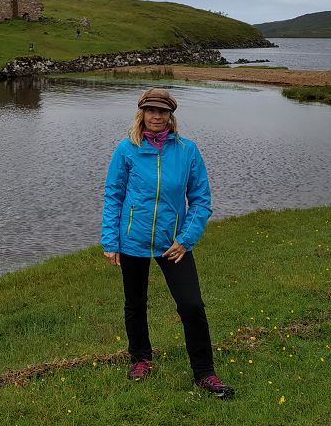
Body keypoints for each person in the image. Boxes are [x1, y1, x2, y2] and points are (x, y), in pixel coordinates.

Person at [100, 87, 235, 399]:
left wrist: (186, 239)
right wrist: (110, 240)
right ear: (142, 114)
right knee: (135, 304)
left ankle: (205, 373)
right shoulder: (126, 149)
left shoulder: (187, 151)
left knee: (191, 305)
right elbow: (113, 196)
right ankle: (141, 359)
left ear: (171, 116)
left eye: (162, 111)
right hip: (132, 241)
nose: (156, 116)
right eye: (151, 110)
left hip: (173, 243)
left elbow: (201, 201)